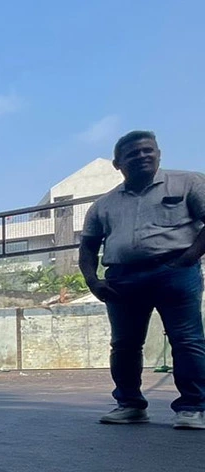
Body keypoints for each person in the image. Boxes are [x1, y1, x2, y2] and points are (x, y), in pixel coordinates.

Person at [80, 130, 205, 429]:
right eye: (133, 154)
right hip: (122, 279)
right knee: (123, 345)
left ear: (159, 154)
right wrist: (93, 281)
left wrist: (188, 258)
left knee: (187, 340)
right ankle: (129, 404)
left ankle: (193, 408)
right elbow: (87, 246)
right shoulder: (103, 205)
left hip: (174, 272)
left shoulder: (188, 182)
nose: (142, 156)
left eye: (148, 150)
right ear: (118, 164)